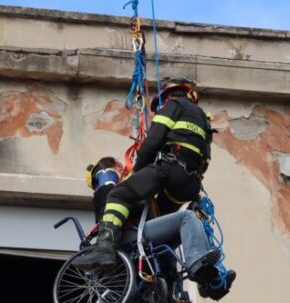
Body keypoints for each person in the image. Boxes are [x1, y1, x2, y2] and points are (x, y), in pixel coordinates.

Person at [74, 77, 212, 269]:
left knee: (120, 194)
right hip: (191, 183)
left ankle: (104, 247)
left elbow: (152, 142)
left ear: (165, 95)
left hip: (170, 168)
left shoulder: (172, 105)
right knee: (163, 223)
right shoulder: (204, 121)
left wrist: (136, 172)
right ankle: (191, 272)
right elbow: (206, 160)